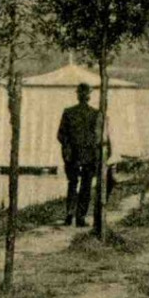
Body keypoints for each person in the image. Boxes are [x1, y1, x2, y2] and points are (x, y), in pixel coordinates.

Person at [56, 82, 104, 227]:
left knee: (73, 184)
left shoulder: (69, 112)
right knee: (85, 187)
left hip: (74, 155)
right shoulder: (96, 114)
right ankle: (79, 217)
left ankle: (70, 215)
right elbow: (99, 138)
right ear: (89, 96)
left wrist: (68, 146)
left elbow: (60, 135)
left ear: (78, 95)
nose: (83, 96)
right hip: (87, 156)